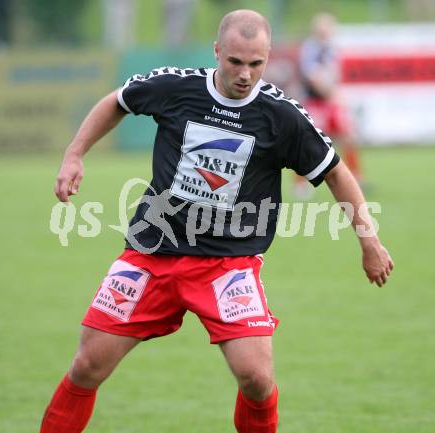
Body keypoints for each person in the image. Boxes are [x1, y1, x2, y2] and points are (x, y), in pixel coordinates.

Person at [40, 9, 394, 433]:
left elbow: (336, 172)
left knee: (257, 378)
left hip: (228, 264)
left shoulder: (281, 116)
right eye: (236, 62)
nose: (245, 74)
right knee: (86, 366)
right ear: (217, 51)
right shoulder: (176, 88)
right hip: (151, 254)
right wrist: (75, 153)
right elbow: (117, 102)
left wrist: (369, 242)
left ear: (267, 58)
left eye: (256, 64)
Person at [294, 12, 363, 198]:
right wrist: (332, 93)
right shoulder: (311, 49)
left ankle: (357, 178)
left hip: (330, 100)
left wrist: (336, 94)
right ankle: (300, 183)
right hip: (315, 101)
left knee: (349, 135)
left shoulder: (332, 49)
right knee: (307, 141)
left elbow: (334, 75)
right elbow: (313, 77)